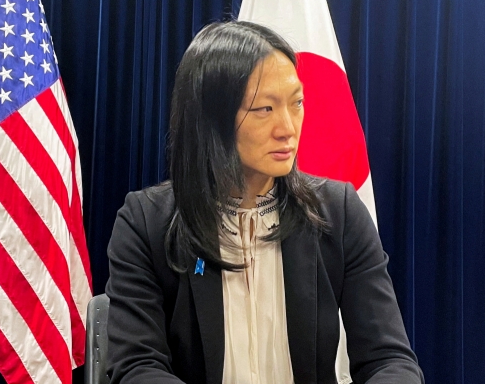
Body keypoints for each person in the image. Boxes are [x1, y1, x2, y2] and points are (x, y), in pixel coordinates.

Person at [105, 21, 424, 384]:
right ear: (212, 119)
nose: (288, 127)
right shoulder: (146, 224)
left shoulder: (338, 213)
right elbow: (137, 366)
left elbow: (390, 359)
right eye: (264, 110)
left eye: (297, 103)